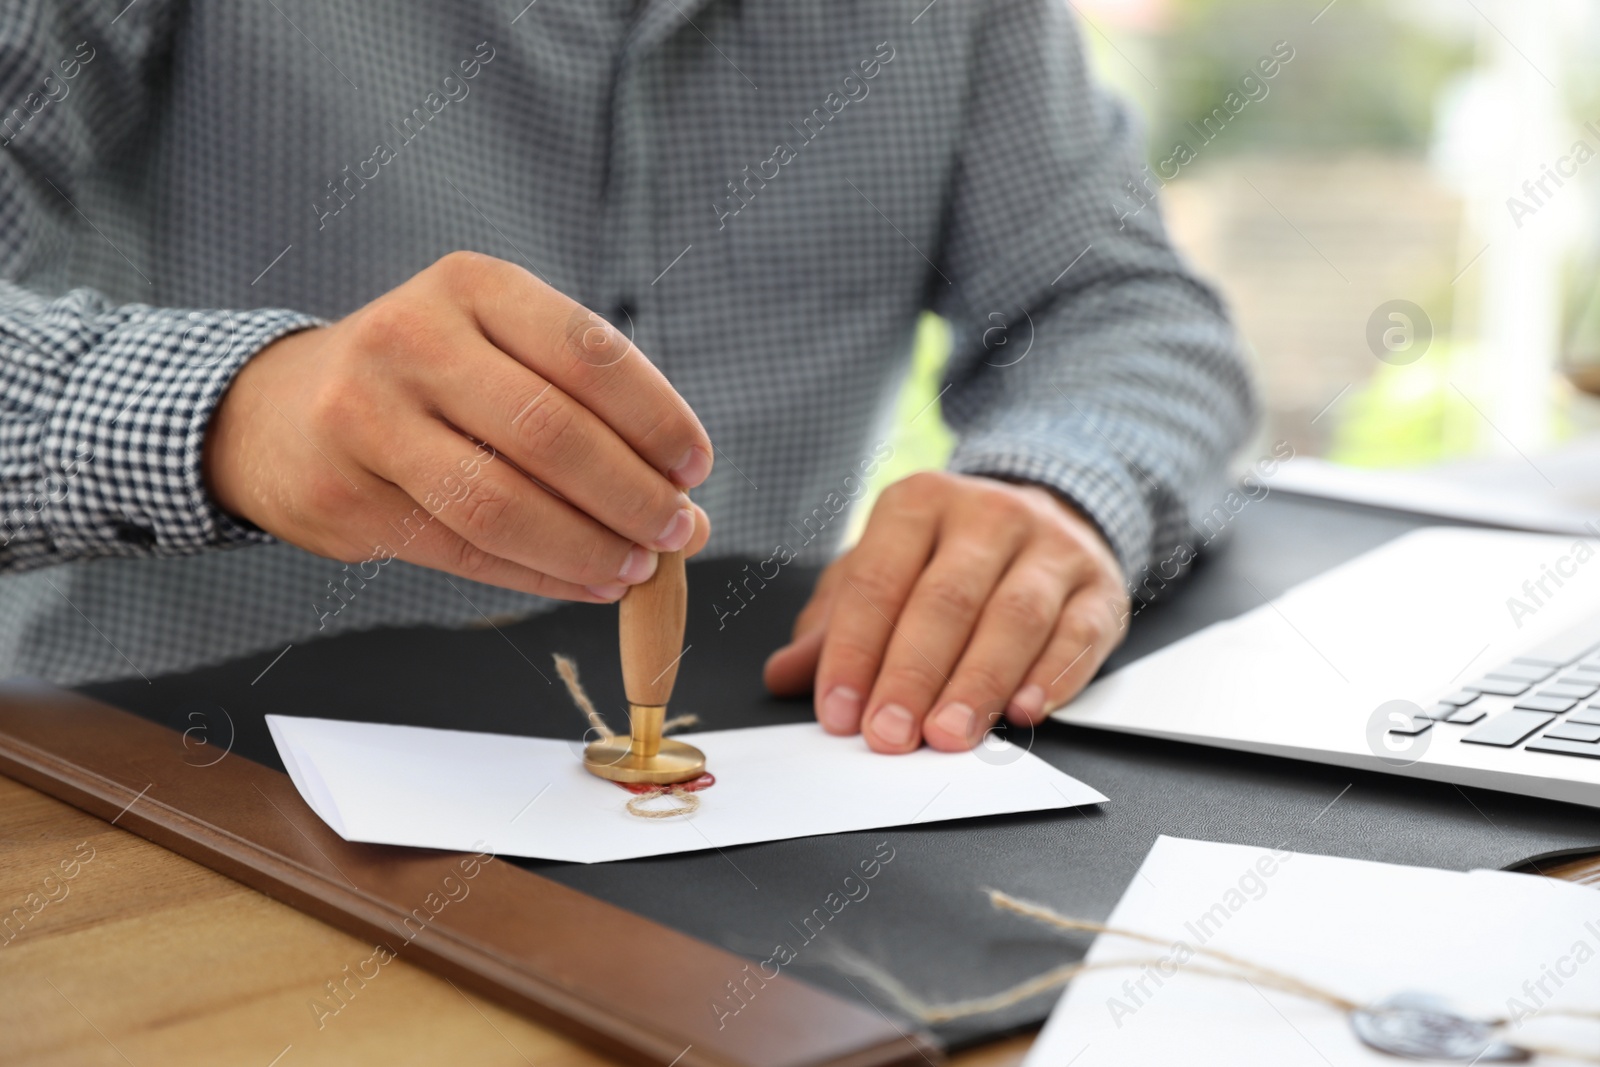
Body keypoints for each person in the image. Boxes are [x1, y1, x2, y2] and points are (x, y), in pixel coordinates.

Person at [0, 0, 1254, 754]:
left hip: (765, 806)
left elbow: (1120, 308)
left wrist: (1058, 488)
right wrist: (235, 407)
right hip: (160, 789)